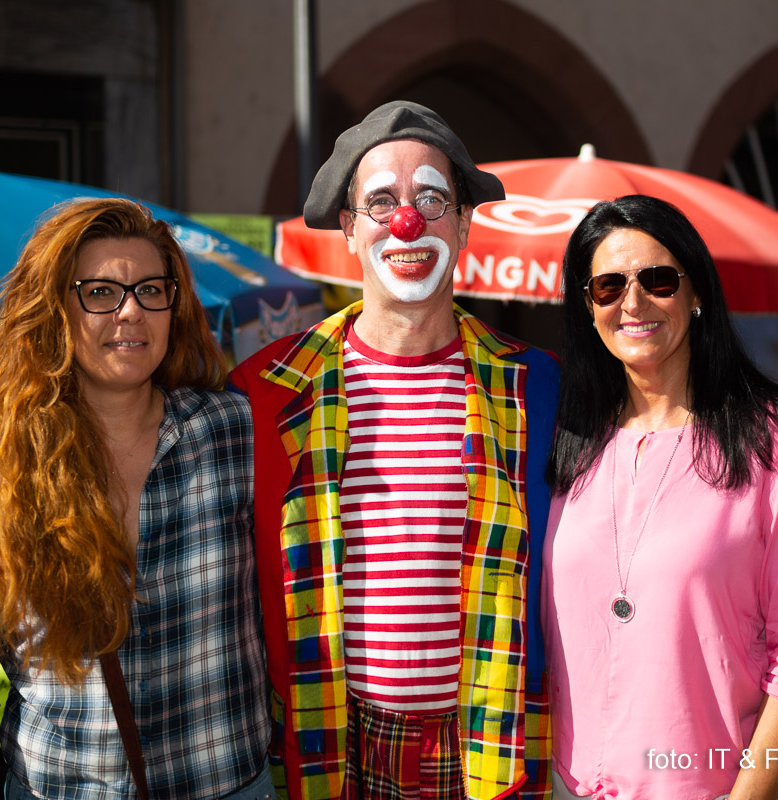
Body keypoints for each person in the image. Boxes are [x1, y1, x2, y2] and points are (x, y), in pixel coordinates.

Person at [230, 101, 557, 800]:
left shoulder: (540, 386)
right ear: (350, 229)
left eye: (432, 199)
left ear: (463, 225)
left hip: (490, 741)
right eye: (381, 202)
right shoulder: (266, 391)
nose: (407, 220)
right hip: (332, 741)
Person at [0, 198, 272, 800]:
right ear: (51, 311)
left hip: (233, 786)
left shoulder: (236, 434)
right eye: (100, 292)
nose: (132, 311)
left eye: (151, 290)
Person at [543, 196, 778, 800]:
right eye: (608, 286)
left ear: (696, 290)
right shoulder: (564, 432)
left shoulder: (777, 434)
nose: (632, 303)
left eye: (658, 279)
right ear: (588, 306)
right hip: (565, 784)